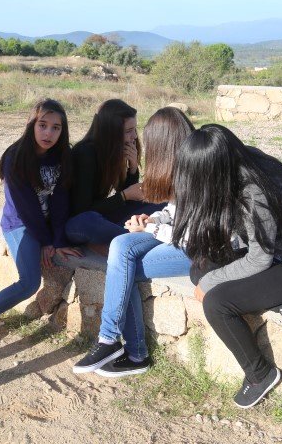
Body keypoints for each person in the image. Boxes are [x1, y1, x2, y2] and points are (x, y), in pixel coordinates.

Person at [171, 124, 282, 409]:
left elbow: (259, 259)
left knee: (217, 304)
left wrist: (210, 284)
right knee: (199, 270)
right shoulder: (239, 162)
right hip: (271, 253)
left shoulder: (253, 191)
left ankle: (260, 375)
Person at [72, 107, 195, 377]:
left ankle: (129, 350)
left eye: (140, 134)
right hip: (95, 222)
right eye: (129, 131)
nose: (136, 139)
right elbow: (173, 209)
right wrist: (150, 219)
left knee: (120, 266)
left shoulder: (197, 167)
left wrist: (152, 227)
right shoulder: (86, 154)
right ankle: (112, 342)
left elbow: (193, 233)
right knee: (117, 244)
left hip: (198, 247)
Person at [0, 99, 82, 352]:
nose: (48, 133)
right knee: (29, 283)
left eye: (56, 127)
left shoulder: (62, 156)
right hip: (20, 223)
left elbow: (61, 199)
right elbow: (26, 208)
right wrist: (45, 241)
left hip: (46, 224)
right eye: (42, 125)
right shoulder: (15, 158)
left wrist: (58, 240)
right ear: (31, 124)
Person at [64, 99, 163, 251]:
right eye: (129, 131)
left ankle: (126, 235)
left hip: (103, 217)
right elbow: (82, 210)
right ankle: (134, 239)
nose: (134, 136)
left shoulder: (113, 149)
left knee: (161, 204)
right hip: (78, 224)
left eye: (135, 129)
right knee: (88, 220)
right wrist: (124, 196)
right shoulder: (85, 153)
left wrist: (133, 167)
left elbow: (128, 196)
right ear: (111, 132)